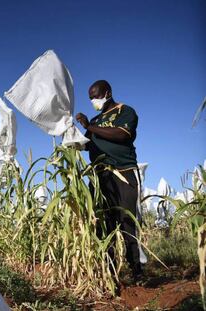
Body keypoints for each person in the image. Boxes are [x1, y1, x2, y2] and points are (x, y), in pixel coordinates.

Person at [75, 80, 147, 282]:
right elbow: (87, 144)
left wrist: (90, 126)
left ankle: (137, 272)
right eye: (90, 98)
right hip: (101, 178)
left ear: (108, 92)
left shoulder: (125, 111)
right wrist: (71, 136)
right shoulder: (95, 120)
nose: (93, 101)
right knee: (103, 226)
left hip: (123, 173)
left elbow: (122, 135)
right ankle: (110, 272)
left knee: (127, 223)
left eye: (96, 96)